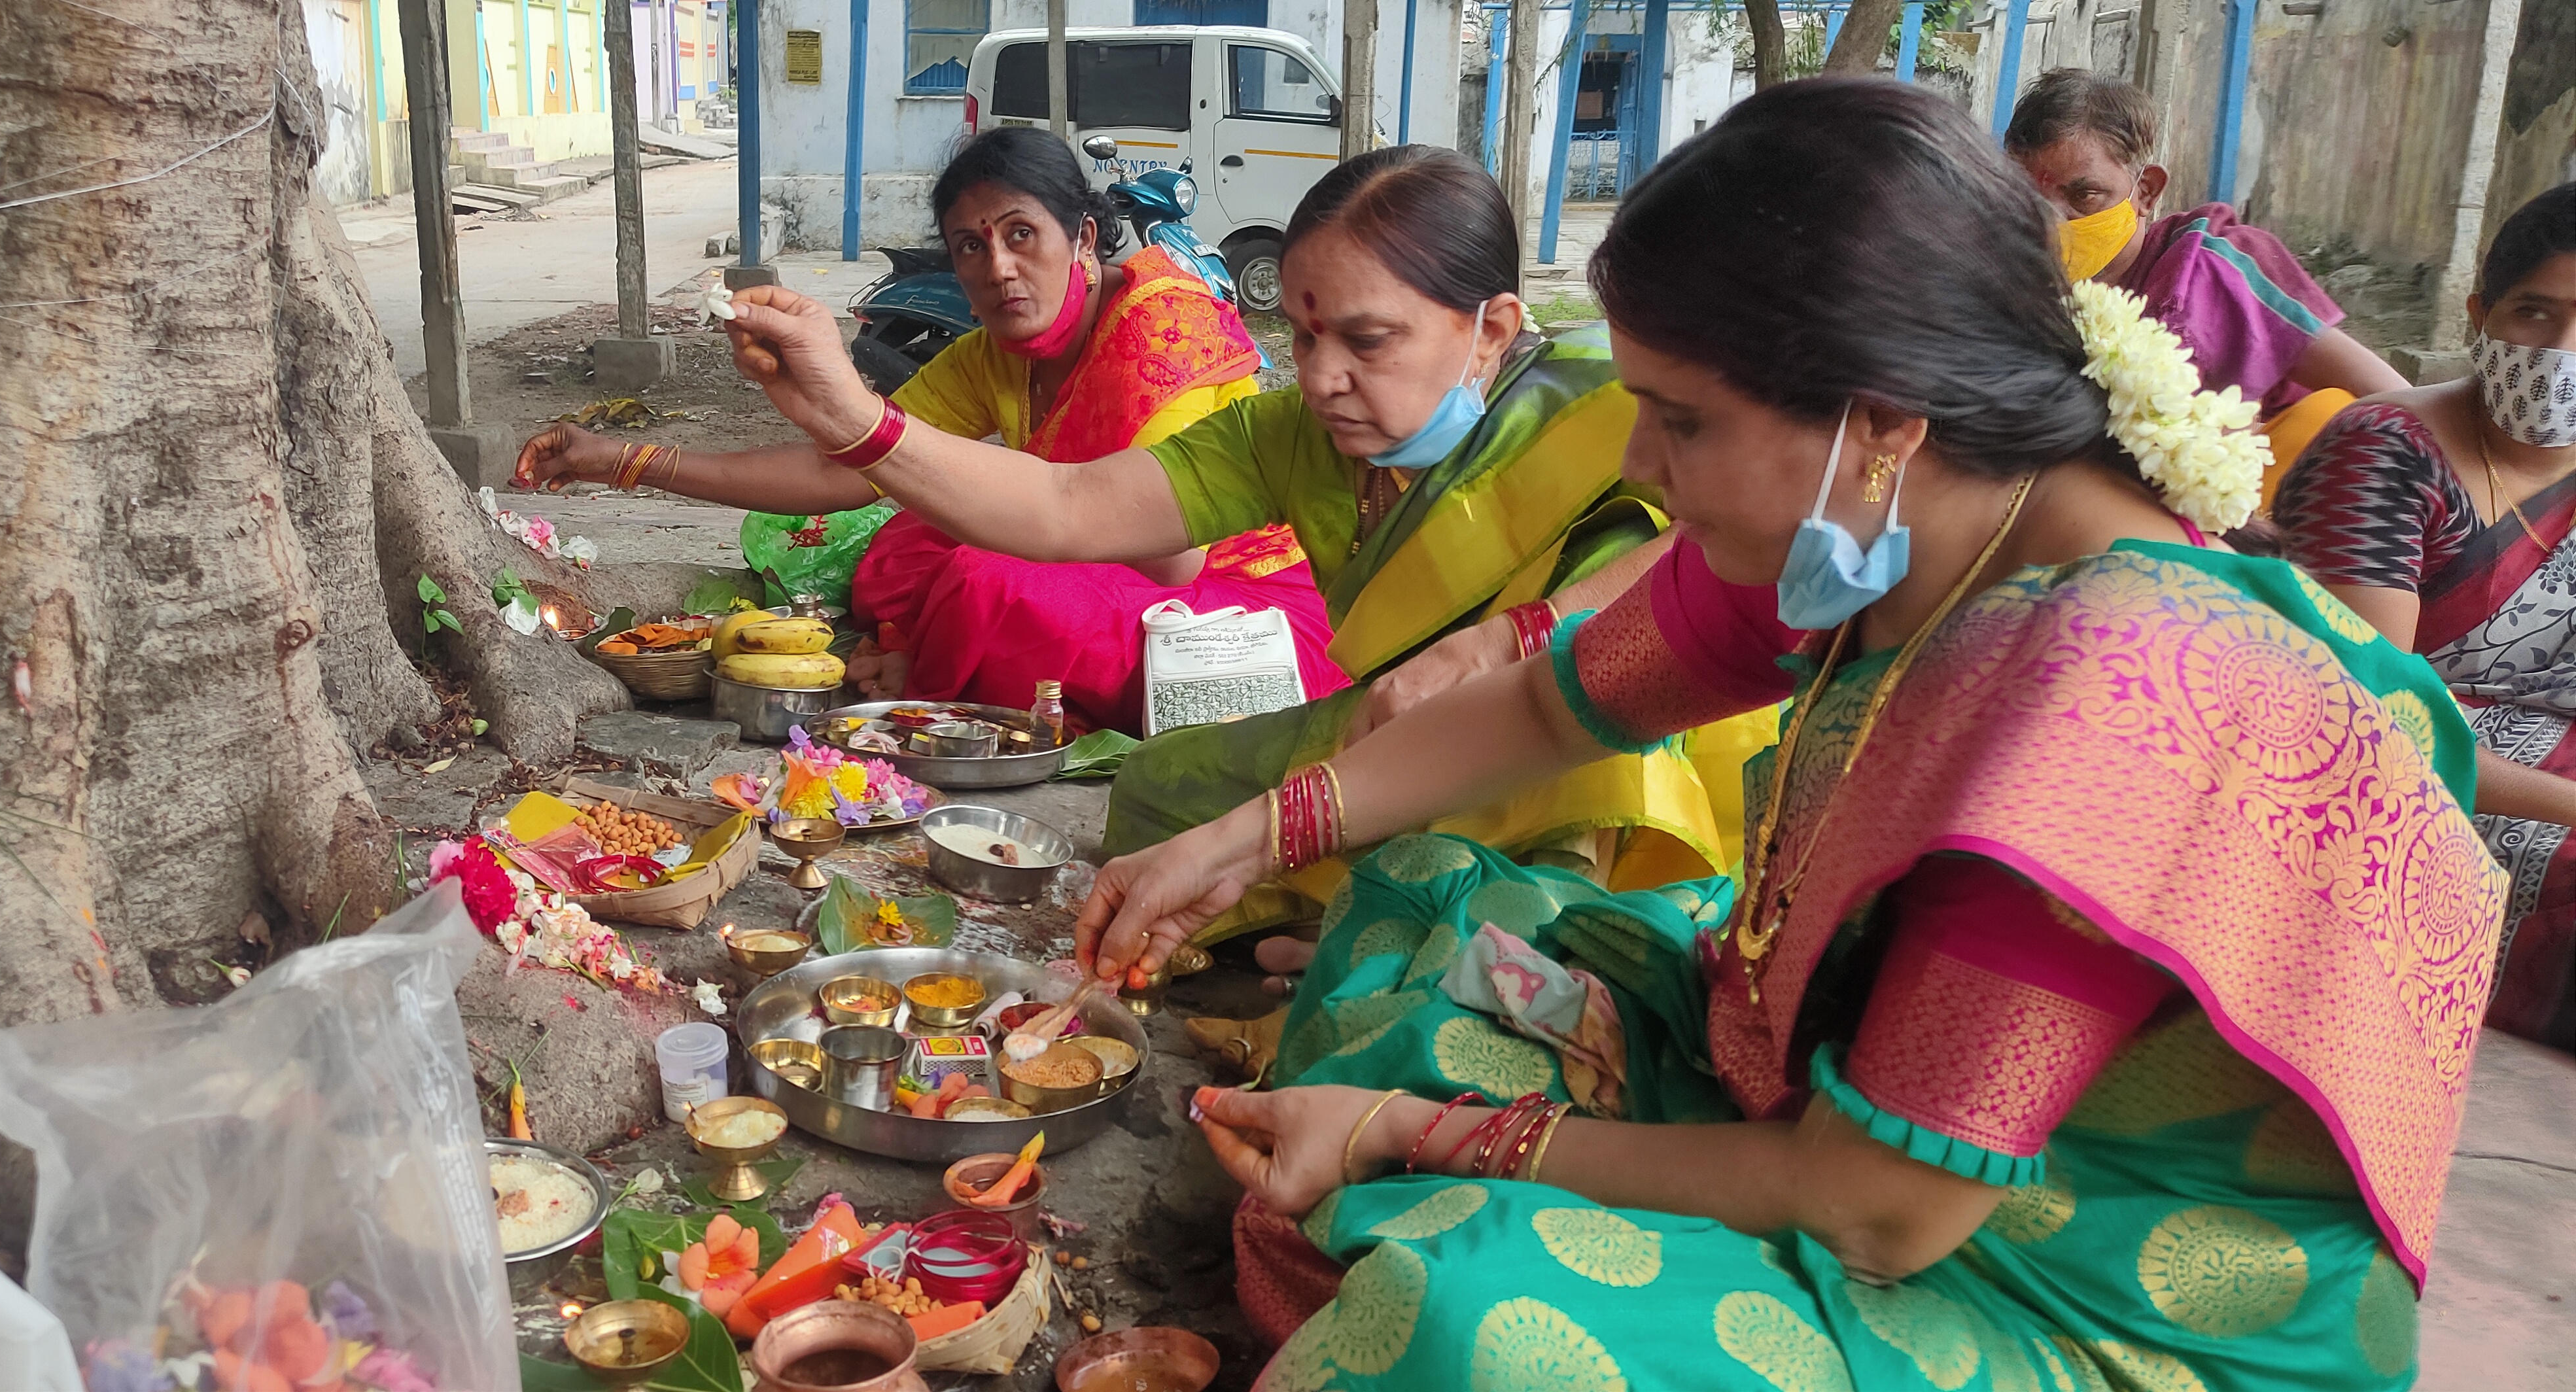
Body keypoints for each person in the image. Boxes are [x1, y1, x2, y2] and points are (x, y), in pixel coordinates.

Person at [1077, 80, 2499, 1391]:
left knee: (1463, 1321)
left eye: (1678, 420)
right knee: (1417, 914)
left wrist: (1421, 1135)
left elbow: (1877, 1208)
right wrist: (1250, 831)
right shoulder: (1884, 520)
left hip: (2054, 1277)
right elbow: (1544, 701)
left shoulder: (2120, 717)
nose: (1638, 465)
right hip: (1816, 1075)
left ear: (1879, 415)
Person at [712, 145, 1773, 1024]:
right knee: (1162, 794)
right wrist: (858, 418)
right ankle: (1360, 929)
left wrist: (1502, 641)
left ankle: (1418, 954)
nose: (1319, 377)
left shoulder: (1599, 402)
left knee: (1497, 889)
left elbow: (1727, 555)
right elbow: (1069, 509)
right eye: (1304, 338)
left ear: (1489, 330)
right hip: (1399, 729)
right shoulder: (1291, 432)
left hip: (1600, 741)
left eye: (1364, 341)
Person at [513, 127, 1346, 734]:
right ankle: (962, 652)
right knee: (900, 546)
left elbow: (1162, 551)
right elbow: (844, 472)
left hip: (1235, 614)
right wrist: (625, 459)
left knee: (987, 579)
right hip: (1088, 549)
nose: (998, 268)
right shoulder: (1001, 352)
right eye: (970, 247)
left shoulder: (1161, 331)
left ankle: (926, 676)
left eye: (1022, 234)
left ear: (1082, 238)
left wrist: (881, 437)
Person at [2276, 181, 2576, 1051]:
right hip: (2405, 790)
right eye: (2535, 312)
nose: (2562, 349)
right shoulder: (2387, 453)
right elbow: (2373, 722)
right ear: (2480, 315)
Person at [2005, 67, 2407, 483]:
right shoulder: (2005, 284)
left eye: (2083, 195)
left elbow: (2394, 398)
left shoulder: (2216, 265)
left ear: (2146, 192)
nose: (2049, 222)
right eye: (2025, 196)